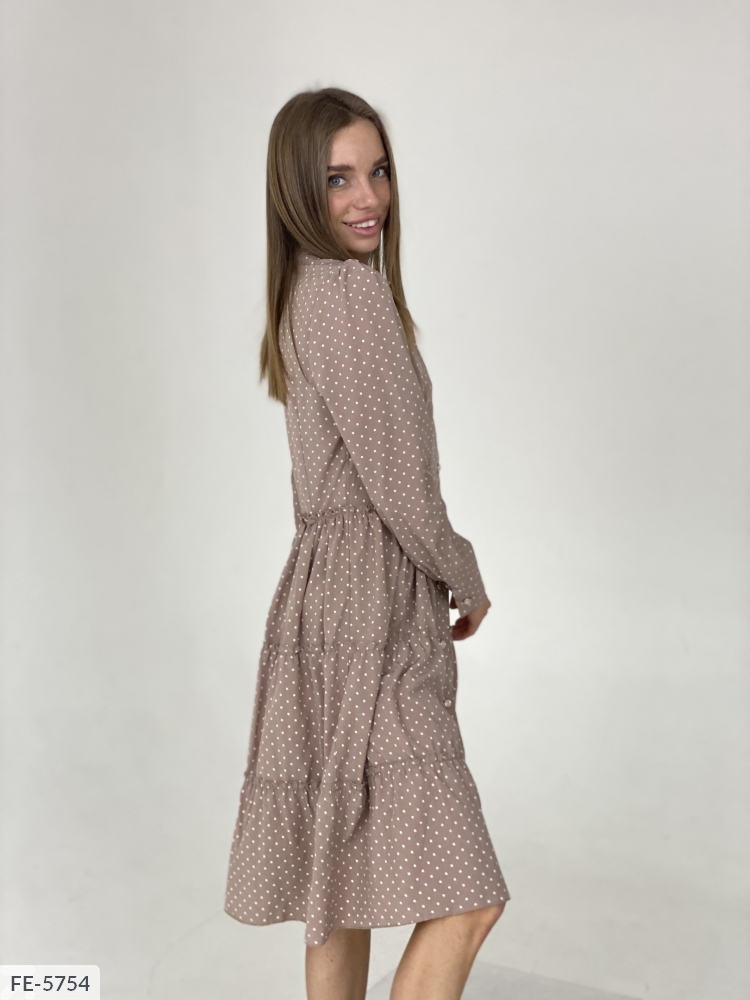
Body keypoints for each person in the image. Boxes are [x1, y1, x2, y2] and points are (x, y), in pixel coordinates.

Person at [224, 87, 510, 1000]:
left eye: (378, 171)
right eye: (338, 178)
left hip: (328, 598)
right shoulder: (347, 295)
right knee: (469, 903)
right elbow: (402, 488)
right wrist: (466, 576)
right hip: (367, 603)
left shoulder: (306, 293)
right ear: (297, 191)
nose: (368, 198)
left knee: (338, 880)